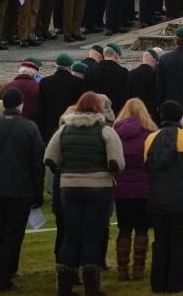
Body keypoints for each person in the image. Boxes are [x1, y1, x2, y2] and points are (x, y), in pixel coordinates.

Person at [44, 91, 125, 294]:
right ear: (99, 108)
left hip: (69, 188)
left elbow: (50, 159)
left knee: (71, 235)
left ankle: (64, 287)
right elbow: (117, 163)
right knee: (92, 236)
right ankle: (92, 288)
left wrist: (67, 170)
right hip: (98, 188)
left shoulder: (63, 130)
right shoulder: (106, 131)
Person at [0, 88, 45, 293]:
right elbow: (36, 165)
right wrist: (37, 192)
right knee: (13, 236)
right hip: (21, 190)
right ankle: (4, 278)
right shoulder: (30, 128)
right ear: (20, 104)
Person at [144, 100, 183, 293]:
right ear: (180, 117)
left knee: (161, 240)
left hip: (157, 199)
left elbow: (147, 167)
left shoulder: (151, 139)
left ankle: (158, 282)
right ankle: (177, 283)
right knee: (181, 242)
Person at [112, 98, 156, 281]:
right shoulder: (150, 135)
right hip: (143, 189)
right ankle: (138, 269)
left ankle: (122, 270)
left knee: (123, 228)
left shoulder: (115, 134)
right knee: (142, 229)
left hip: (121, 189)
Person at [84, 42, 129, 112]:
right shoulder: (122, 72)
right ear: (117, 55)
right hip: (113, 113)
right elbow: (124, 98)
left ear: (104, 55)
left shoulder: (90, 70)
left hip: (95, 112)